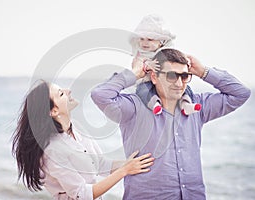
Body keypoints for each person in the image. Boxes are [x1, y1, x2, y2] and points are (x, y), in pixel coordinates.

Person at [91, 48, 251, 199]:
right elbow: (100, 95)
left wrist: (203, 72)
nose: (180, 84)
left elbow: (240, 94)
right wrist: (135, 74)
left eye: (184, 76)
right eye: (172, 76)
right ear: (154, 77)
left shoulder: (197, 107)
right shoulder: (133, 108)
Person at [11, 81, 154, 200]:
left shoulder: (76, 128)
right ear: (54, 111)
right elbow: (81, 194)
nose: (68, 91)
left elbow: (100, 165)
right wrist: (124, 170)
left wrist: (137, 162)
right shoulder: (52, 150)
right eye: (61, 93)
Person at [130, 14, 201, 115]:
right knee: (143, 91)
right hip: (147, 82)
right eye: (141, 39)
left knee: (184, 87)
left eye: (150, 39)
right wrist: (148, 65)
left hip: (165, 82)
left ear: (161, 42)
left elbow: (177, 56)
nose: (144, 43)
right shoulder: (141, 54)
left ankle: (186, 104)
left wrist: (186, 59)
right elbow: (137, 65)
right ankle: (155, 105)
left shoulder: (166, 51)